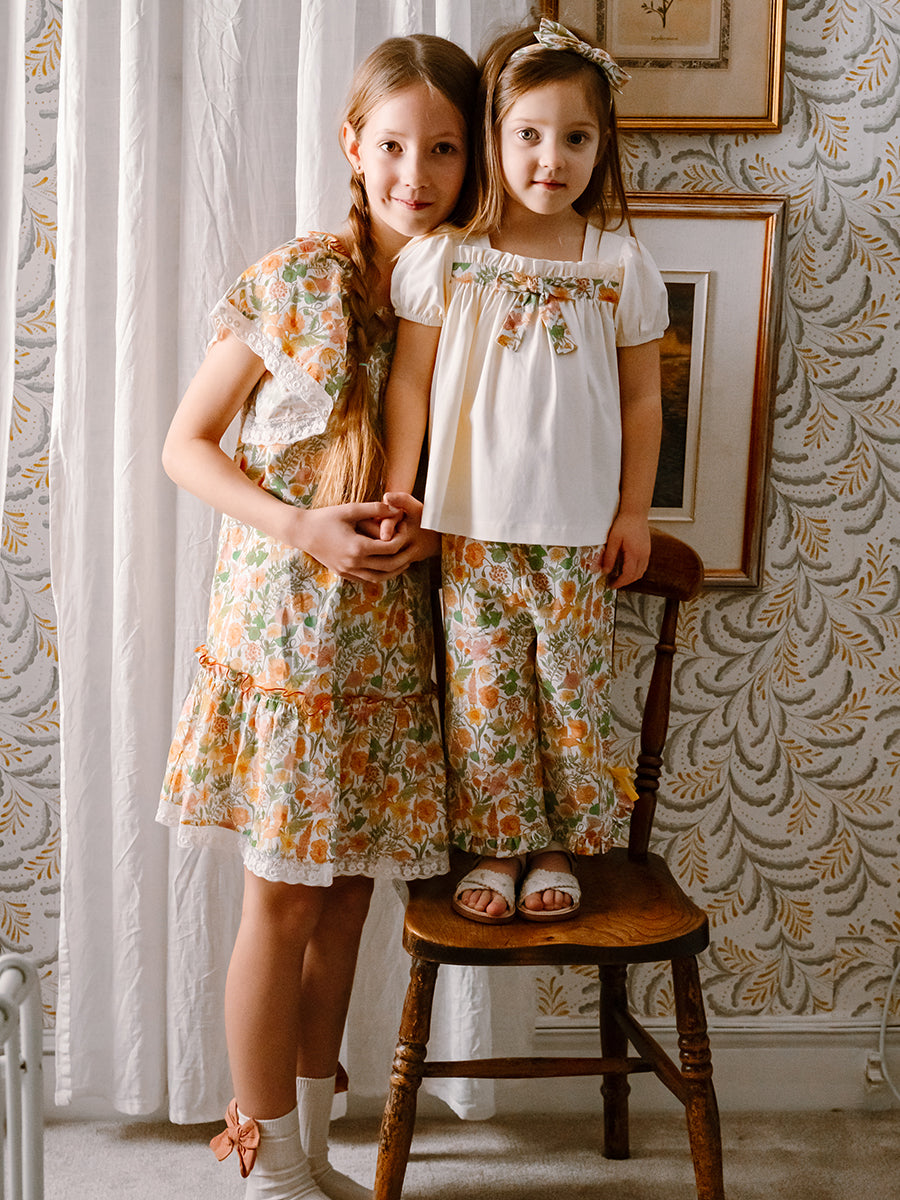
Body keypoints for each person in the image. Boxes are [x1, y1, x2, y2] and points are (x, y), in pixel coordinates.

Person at [156, 34, 478, 1200]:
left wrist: (431, 535)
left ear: (473, 161)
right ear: (354, 145)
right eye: (393, 146)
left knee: (345, 908)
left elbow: (483, 476)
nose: (415, 174)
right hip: (288, 638)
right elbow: (185, 446)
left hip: (390, 642)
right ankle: (264, 1167)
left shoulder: (470, 293)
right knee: (284, 899)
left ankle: (309, 1153)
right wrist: (302, 527)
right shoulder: (296, 280)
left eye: (443, 150)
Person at [380, 20, 668, 927]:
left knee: (573, 698)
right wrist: (401, 487)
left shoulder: (618, 263)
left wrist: (634, 511)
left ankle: (558, 847)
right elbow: (410, 383)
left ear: (602, 145)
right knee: (486, 698)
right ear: (493, 138)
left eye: (576, 138)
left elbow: (642, 402)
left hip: (579, 534)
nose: (553, 158)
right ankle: (499, 845)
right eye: (530, 135)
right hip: (472, 529)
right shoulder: (448, 259)